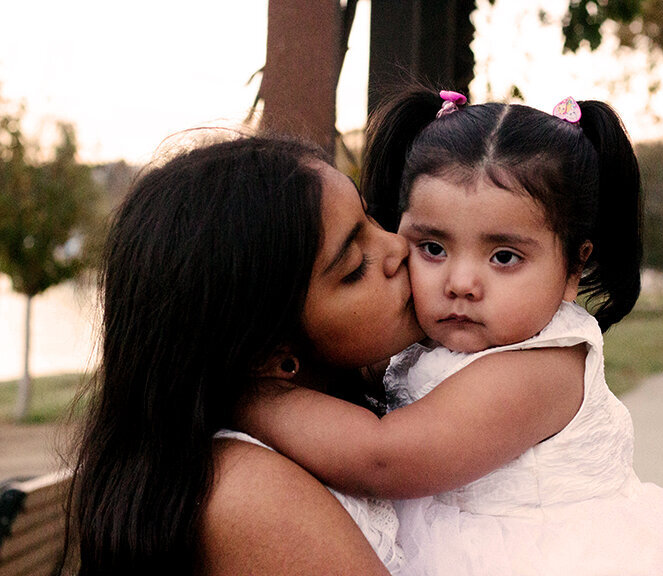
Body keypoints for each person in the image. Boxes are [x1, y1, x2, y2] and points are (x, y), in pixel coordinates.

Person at [240, 89, 663, 575]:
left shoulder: (542, 363)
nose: (461, 282)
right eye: (432, 248)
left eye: (504, 256)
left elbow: (385, 456)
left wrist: (248, 396)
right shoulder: (429, 339)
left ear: (573, 267)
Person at [66, 133, 425, 575]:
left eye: (370, 216)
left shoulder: (340, 418)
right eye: (354, 268)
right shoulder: (249, 493)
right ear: (270, 354)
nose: (397, 246)